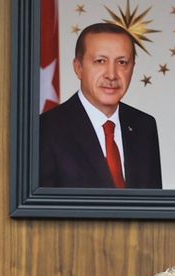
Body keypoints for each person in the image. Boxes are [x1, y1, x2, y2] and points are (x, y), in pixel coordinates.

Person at [39, 22, 161, 189]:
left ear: (133, 68)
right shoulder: (46, 129)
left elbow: (153, 203)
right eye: (100, 61)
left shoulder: (144, 126)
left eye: (122, 62)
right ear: (78, 68)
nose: (111, 75)